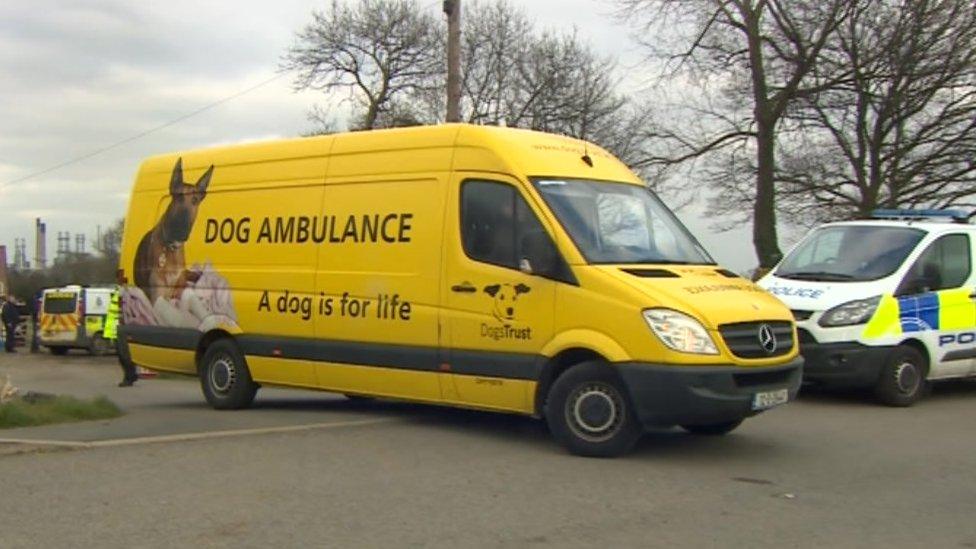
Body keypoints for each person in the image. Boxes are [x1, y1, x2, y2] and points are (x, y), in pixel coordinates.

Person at [106, 289, 137, 387]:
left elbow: (123, 313)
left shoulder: (122, 294)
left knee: (124, 356)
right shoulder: (117, 293)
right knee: (122, 356)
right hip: (116, 330)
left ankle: (129, 377)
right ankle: (131, 375)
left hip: (121, 330)